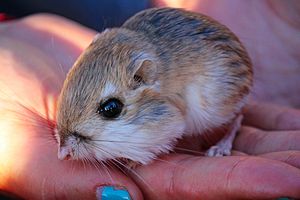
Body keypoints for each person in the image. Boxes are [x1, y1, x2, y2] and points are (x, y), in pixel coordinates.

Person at [0, 0, 299, 199]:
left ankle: (234, 126)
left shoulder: (147, 77)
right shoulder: (118, 58)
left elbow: (169, 126)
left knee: (209, 111)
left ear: (143, 77)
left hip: (213, 67)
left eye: (110, 109)